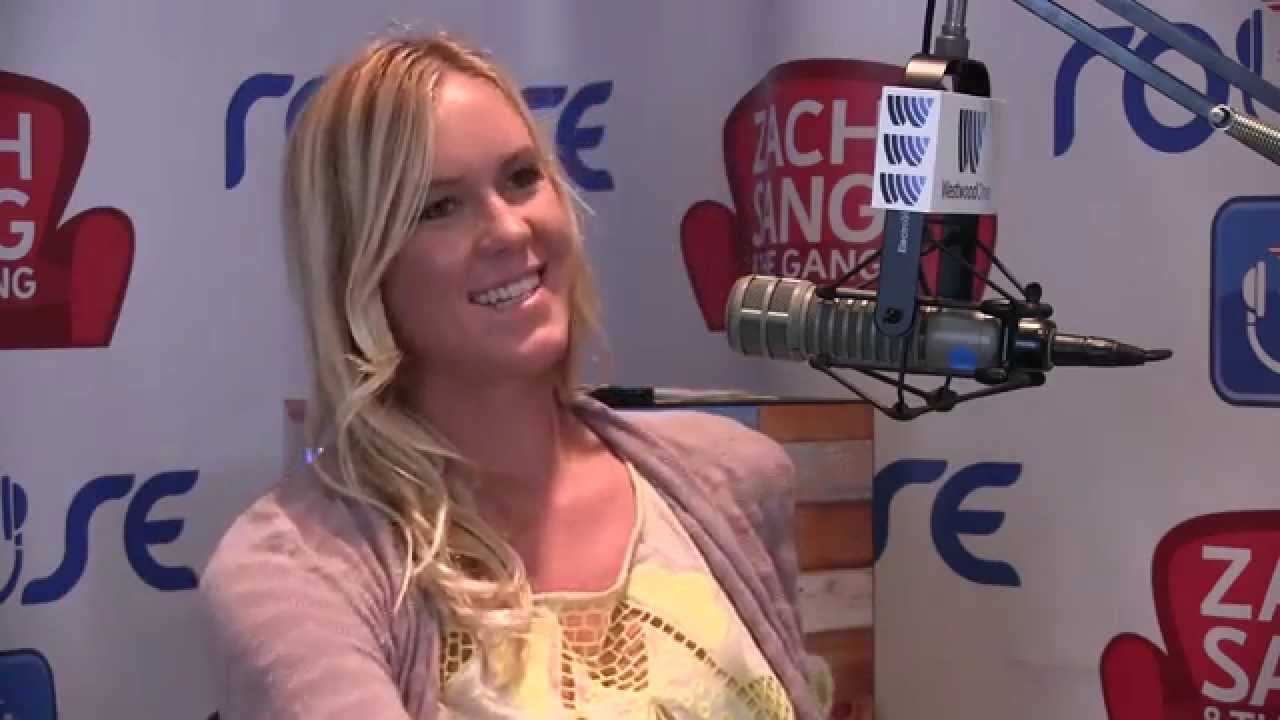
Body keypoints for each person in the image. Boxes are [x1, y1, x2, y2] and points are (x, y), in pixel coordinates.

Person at [199, 31, 832, 720]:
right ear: (360, 268)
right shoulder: (293, 570)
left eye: (521, 178)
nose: (508, 230)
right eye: (439, 207)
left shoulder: (736, 478)